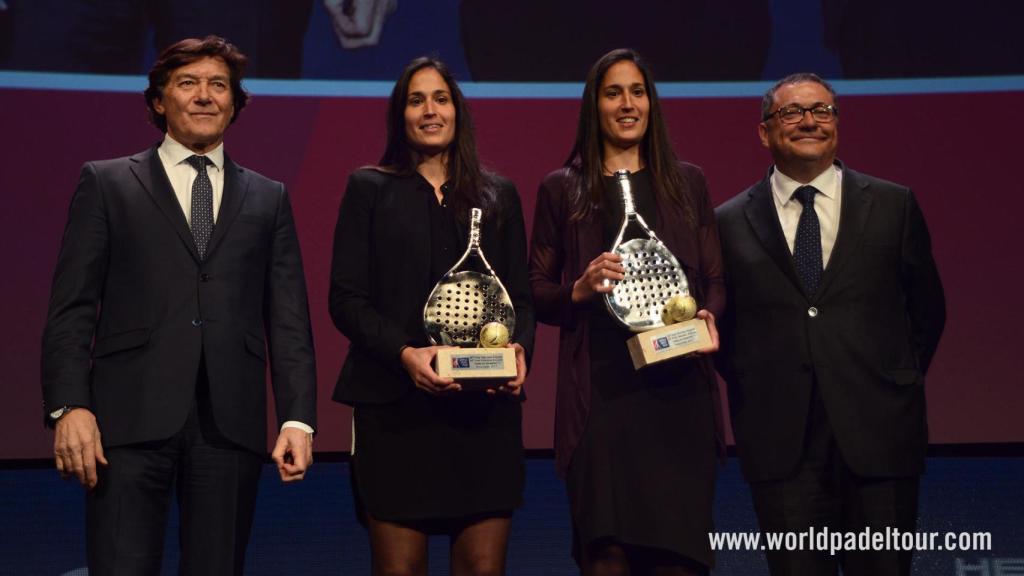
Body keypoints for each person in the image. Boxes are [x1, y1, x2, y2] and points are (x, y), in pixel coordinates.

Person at [40, 36, 317, 575]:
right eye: (188, 83)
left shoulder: (269, 197)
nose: (205, 96)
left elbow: (288, 319)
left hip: (229, 425)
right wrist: (68, 406)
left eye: (219, 85)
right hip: (124, 423)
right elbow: (71, 309)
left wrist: (298, 418)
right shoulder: (107, 182)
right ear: (159, 101)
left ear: (235, 104)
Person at [715, 73, 946, 576]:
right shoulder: (727, 222)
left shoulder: (893, 204)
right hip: (782, 446)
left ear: (837, 124)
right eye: (792, 112)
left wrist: (886, 380)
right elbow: (726, 334)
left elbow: (927, 312)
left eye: (821, 110)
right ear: (764, 132)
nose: (808, 122)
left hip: (880, 438)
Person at [329, 56, 535, 575]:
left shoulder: (498, 195)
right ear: (400, 115)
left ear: (457, 111)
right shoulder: (368, 189)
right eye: (416, 100)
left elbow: (522, 299)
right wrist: (405, 355)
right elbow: (346, 299)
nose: (429, 111)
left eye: (440, 98)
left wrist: (519, 352)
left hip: (483, 416)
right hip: (395, 412)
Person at [529, 48, 725, 576]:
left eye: (637, 91)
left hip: (679, 395)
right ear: (594, 105)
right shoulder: (562, 188)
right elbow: (536, 291)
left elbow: (713, 280)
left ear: (651, 103)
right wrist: (580, 288)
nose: (627, 104)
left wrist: (707, 317)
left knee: (679, 560)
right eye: (613, 92)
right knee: (606, 556)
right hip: (602, 400)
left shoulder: (688, 183)